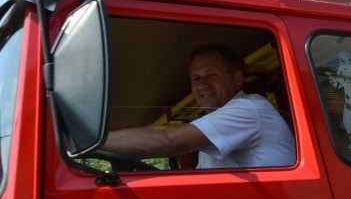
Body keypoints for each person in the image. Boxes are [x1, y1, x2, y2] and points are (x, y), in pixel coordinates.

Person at [101, 44, 296, 168]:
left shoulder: (249, 109)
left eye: (211, 74)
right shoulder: (213, 129)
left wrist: (93, 142)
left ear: (237, 79)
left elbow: (167, 141)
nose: (202, 84)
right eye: (196, 78)